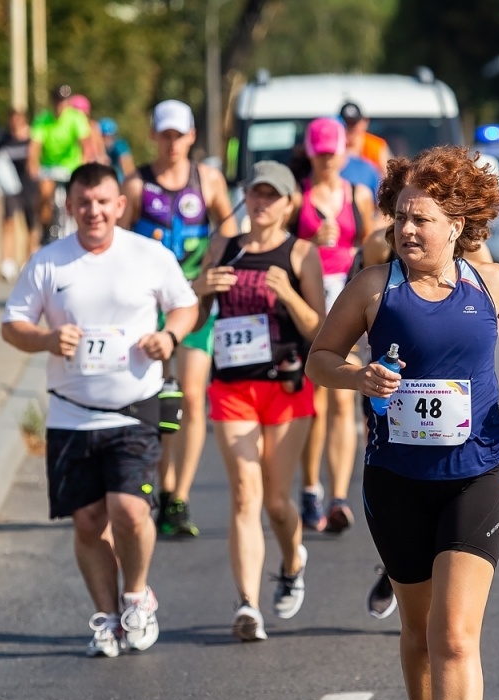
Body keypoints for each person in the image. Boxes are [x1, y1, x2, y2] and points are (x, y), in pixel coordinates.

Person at [307, 145, 499, 700]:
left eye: (422, 219)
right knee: (416, 635)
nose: (407, 230)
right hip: (397, 482)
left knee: (453, 634)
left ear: (457, 223)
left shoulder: (491, 281)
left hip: (479, 472)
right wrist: (359, 381)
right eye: (401, 217)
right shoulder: (371, 288)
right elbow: (321, 360)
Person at [2, 162, 201, 657]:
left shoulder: (148, 255)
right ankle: (107, 618)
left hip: (134, 407)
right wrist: (47, 337)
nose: (93, 211)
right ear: (70, 207)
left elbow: (186, 304)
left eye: (103, 202)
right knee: (88, 521)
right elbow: (12, 325)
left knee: (130, 511)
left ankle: (136, 596)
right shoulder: (49, 262)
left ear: (120, 205)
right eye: (83, 202)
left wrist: (168, 335)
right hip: (71, 411)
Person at [195, 161, 325, 641]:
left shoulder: (301, 253)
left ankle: (292, 561)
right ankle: (248, 603)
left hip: (287, 386)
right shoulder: (222, 246)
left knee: (275, 500)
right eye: (256, 193)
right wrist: (200, 289)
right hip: (231, 386)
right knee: (245, 494)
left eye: (273, 195)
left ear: (289, 204)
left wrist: (289, 295)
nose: (262, 202)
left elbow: (321, 329)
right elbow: (194, 318)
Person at [122, 99, 238, 539]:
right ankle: (155, 480)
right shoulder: (136, 185)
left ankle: (179, 494)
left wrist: (207, 270)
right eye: (165, 135)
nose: (172, 143)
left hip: (193, 303)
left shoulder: (207, 180)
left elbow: (228, 229)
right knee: (154, 397)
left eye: (180, 135)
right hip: (149, 307)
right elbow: (119, 236)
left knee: (191, 397)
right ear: (154, 135)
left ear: (191, 137)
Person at [294, 118, 375, 535]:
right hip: (308, 305)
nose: (327, 159)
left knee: (346, 396)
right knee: (317, 401)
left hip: (347, 301)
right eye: (320, 152)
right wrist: (309, 241)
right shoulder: (297, 197)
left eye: (333, 152)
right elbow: (282, 245)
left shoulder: (358, 194)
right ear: (310, 152)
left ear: (345, 152)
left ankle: (340, 496)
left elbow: (374, 244)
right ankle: (311, 490)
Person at [28, 85, 102, 241]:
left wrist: (85, 163)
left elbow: (85, 144)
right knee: (44, 191)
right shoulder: (43, 119)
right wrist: (32, 164)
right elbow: (35, 146)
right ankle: (45, 227)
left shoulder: (76, 118)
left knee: (80, 195)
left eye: (63, 101)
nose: (60, 106)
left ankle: (80, 227)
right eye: (57, 101)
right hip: (49, 167)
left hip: (71, 167)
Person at [0, 108, 40, 279]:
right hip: (11, 187)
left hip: (30, 186)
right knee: (8, 221)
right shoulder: (4, 140)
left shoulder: (33, 138)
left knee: (31, 224)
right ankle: (8, 262)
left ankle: (30, 259)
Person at [340, 101, 391, 178]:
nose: (350, 128)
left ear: (364, 122)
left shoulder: (376, 146)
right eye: (346, 124)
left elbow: (388, 176)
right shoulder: (334, 146)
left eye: (353, 124)